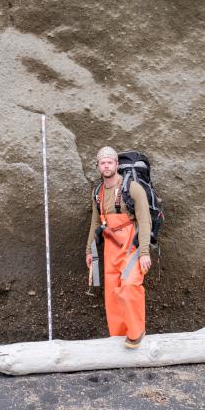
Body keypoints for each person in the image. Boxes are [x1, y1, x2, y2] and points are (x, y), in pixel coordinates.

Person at [86, 146, 152, 349]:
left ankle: (136, 332)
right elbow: (95, 223)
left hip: (131, 247)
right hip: (110, 248)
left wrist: (144, 252)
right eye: (102, 163)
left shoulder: (132, 189)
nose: (106, 166)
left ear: (116, 164)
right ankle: (117, 337)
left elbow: (145, 220)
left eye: (110, 162)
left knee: (130, 285)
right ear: (98, 166)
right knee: (113, 293)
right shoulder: (97, 192)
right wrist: (89, 251)